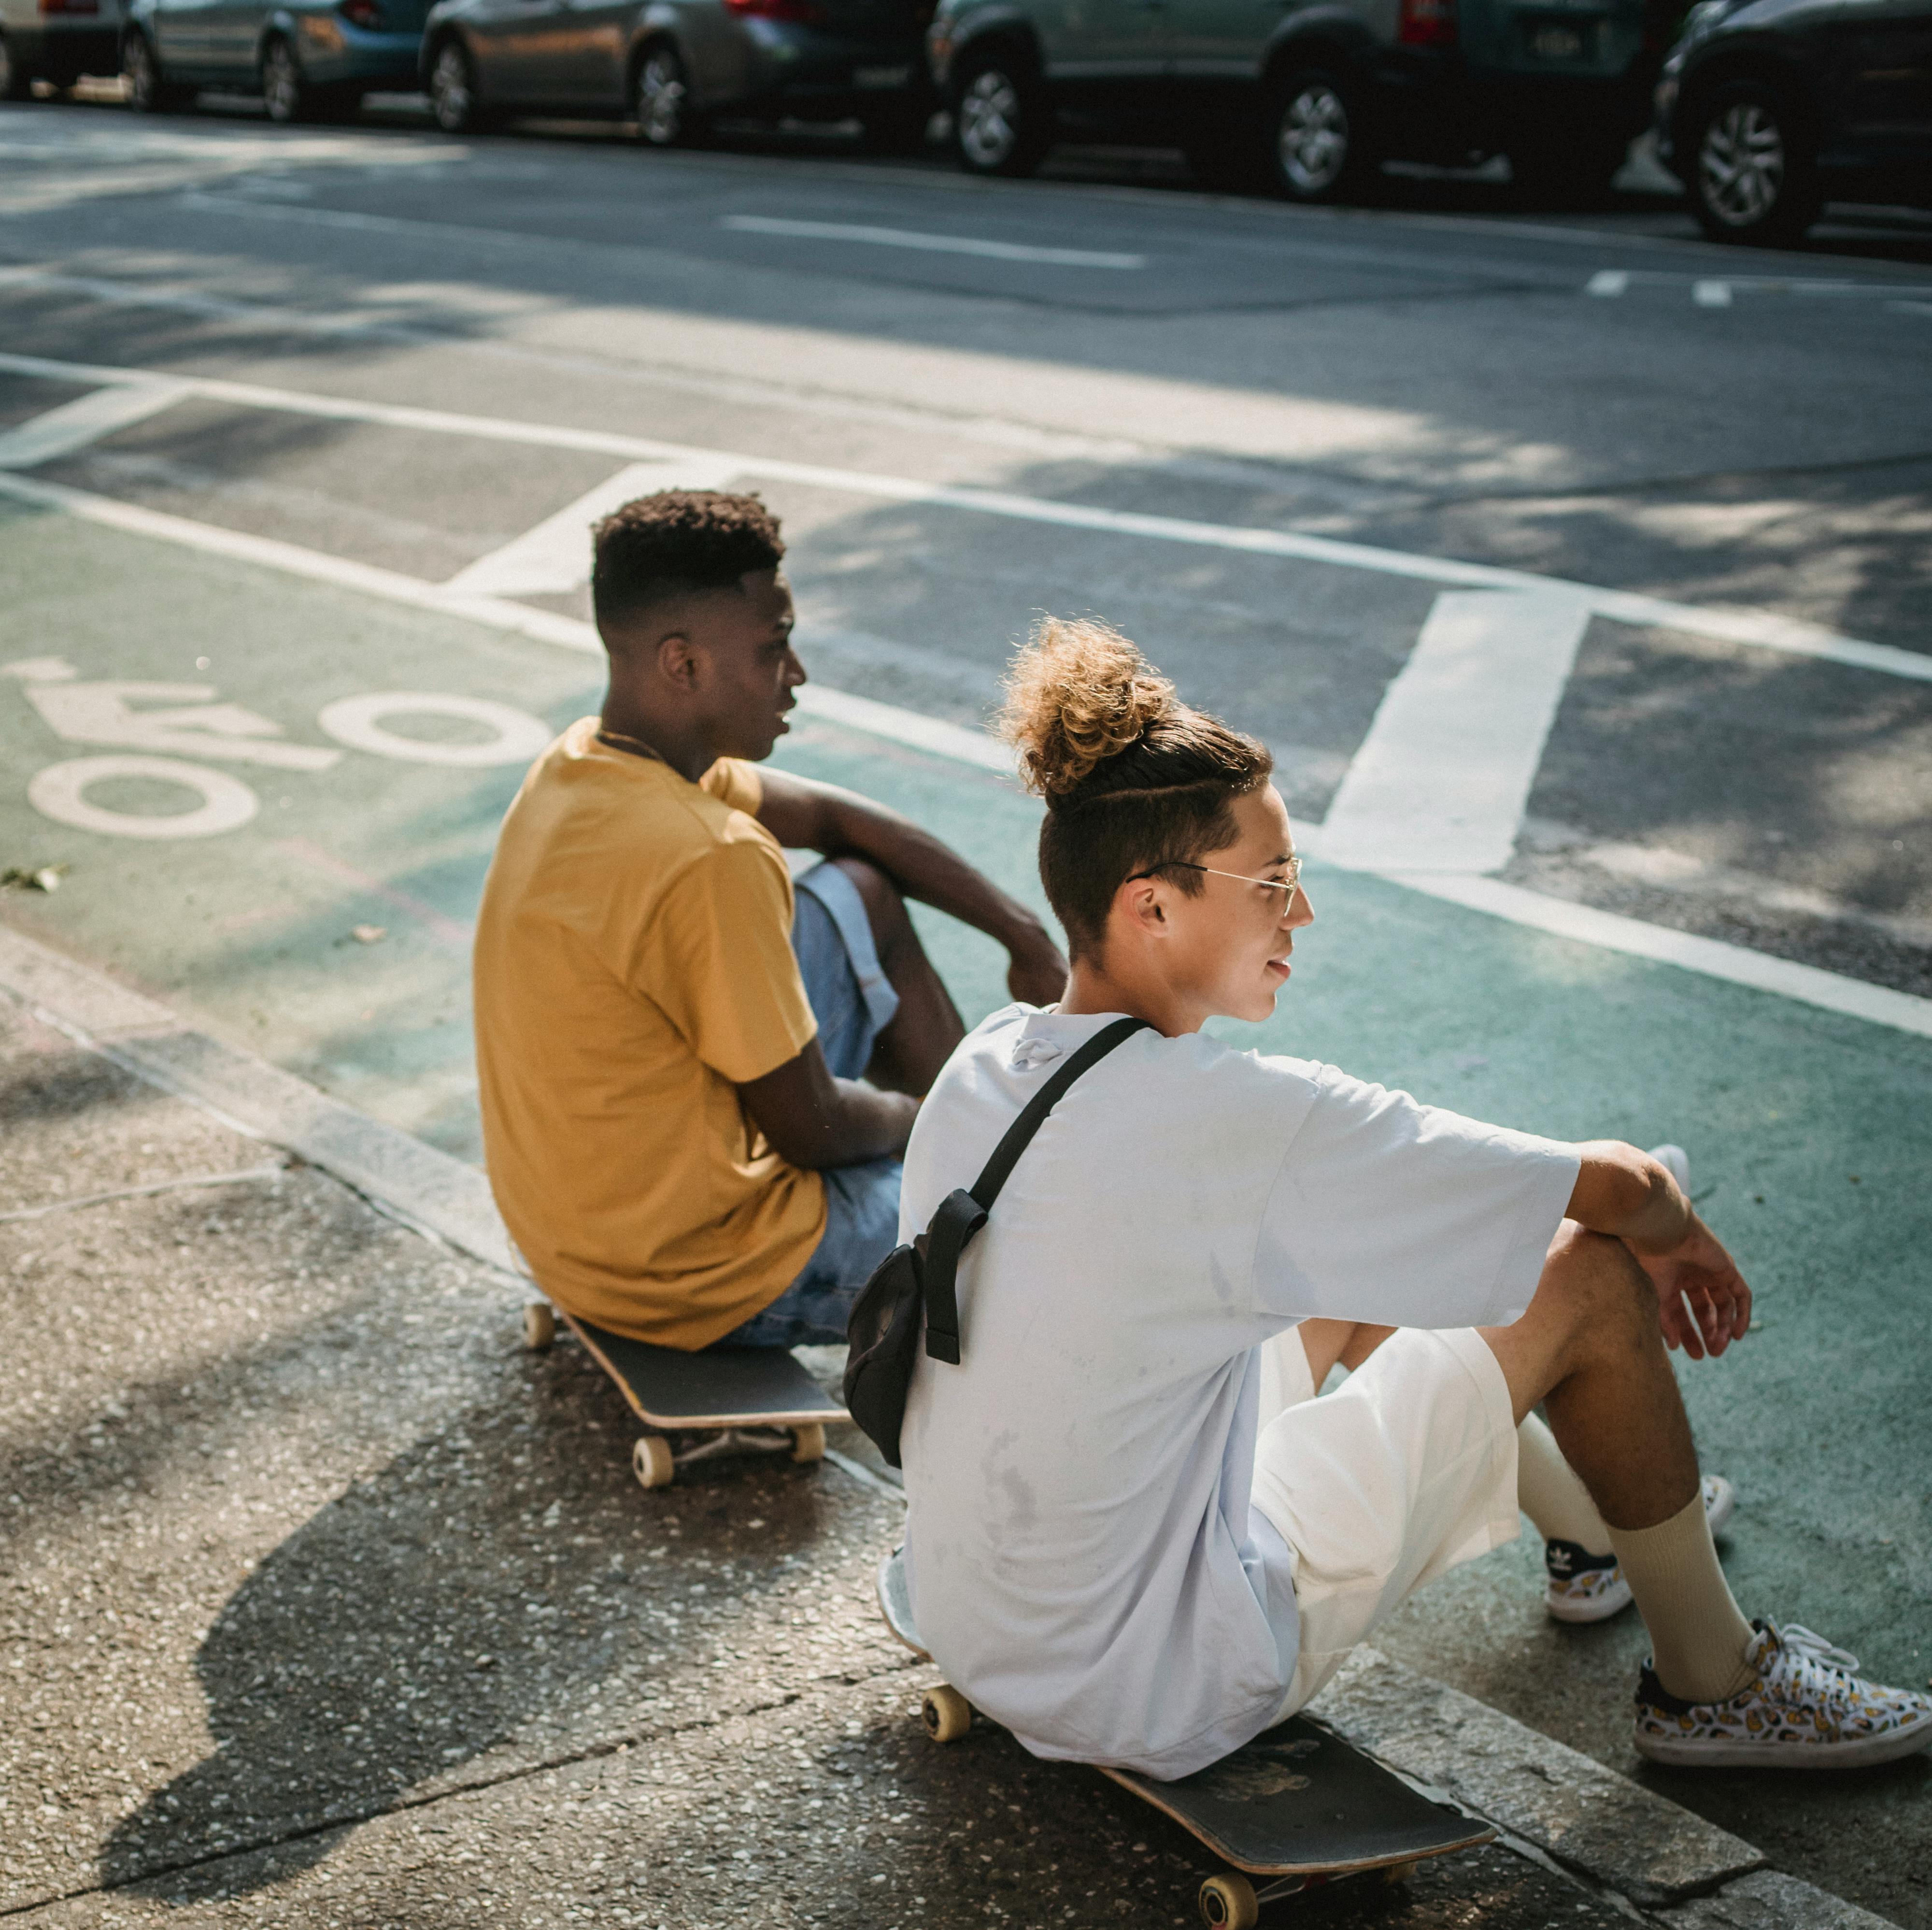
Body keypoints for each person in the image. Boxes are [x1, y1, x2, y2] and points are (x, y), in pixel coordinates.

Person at [895, 620, 1932, 1778]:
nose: (1301, 915)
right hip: (1154, 1670)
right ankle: (1712, 1686)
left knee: (1357, 1257)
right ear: (1152, 906)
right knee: (1584, 1274)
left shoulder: (985, 1064)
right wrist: (1670, 1231)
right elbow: (1617, 1189)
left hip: (981, 1615)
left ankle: (1589, 1538)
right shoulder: (1243, 1124)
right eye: (1273, 882)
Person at [473, 490, 1065, 1352]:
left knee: (861, 889)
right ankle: (978, 1173)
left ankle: (978, 1160)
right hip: (697, 1277)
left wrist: (1021, 933)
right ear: (683, 665)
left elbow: (838, 824)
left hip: (574, 1237)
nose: (797, 674)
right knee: (1035, 1241)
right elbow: (814, 1130)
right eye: (774, 647)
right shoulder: (708, 854)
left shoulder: (584, 764)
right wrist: (928, 1115)